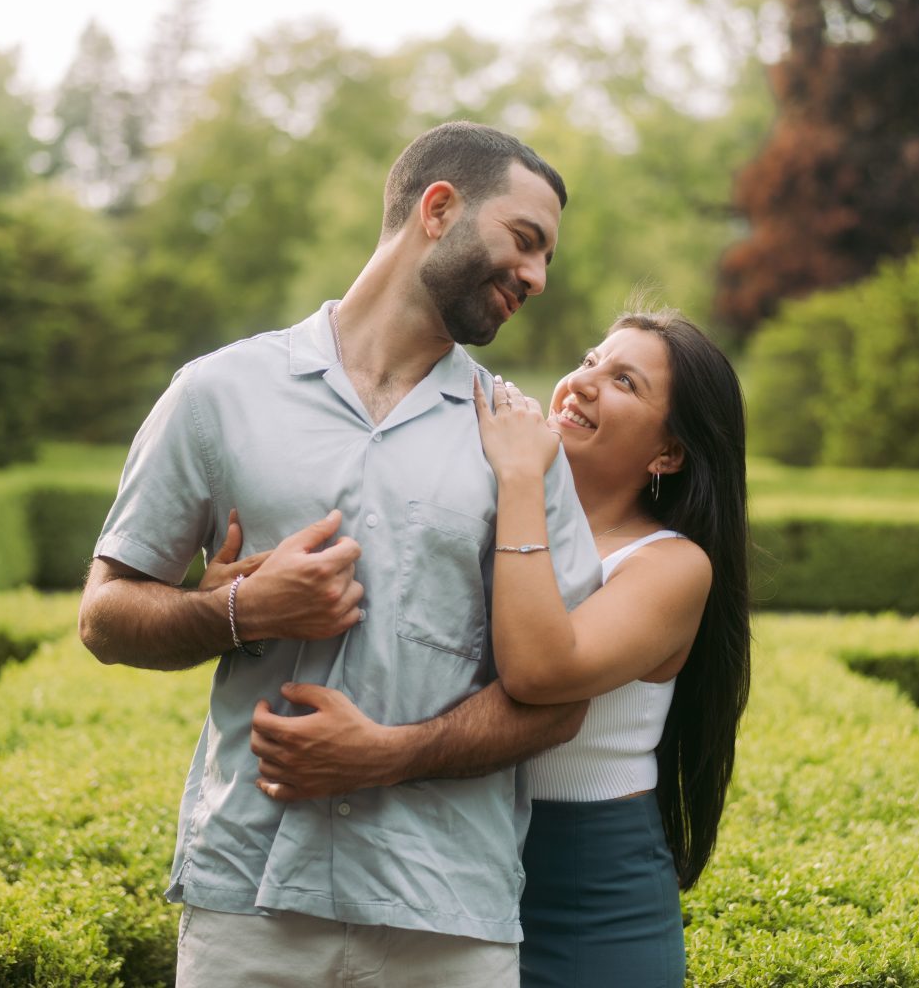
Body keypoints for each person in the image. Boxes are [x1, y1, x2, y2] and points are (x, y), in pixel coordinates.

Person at [77, 121, 604, 988]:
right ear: (439, 208)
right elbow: (104, 616)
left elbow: (559, 700)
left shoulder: (520, 442)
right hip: (249, 906)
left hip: (447, 919)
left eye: (546, 257)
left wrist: (393, 754)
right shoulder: (217, 393)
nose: (538, 277)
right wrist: (239, 610)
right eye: (525, 240)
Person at [250, 309, 750, 988]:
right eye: (592, 359)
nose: (583, 382)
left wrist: (520, 479)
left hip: (588, 893)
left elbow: (539, 671)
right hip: (444, 863)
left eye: (625, 382)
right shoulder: (480, 513)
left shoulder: (672, 566)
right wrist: (242, 591)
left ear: (669, 454)